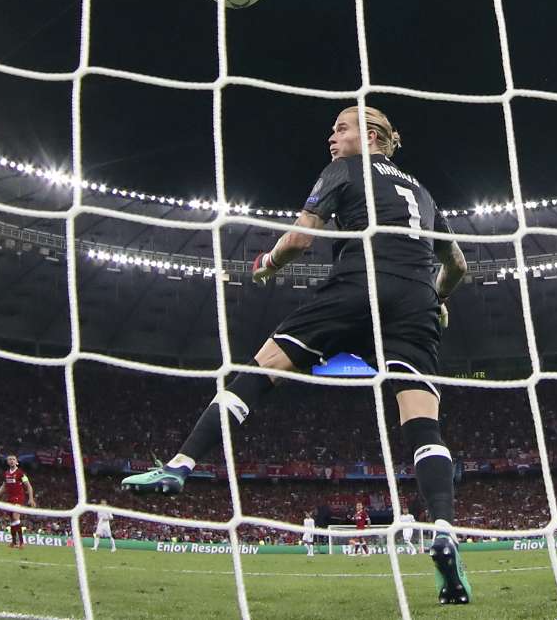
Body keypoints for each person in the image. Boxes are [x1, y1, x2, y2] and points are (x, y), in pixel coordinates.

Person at [121, 106, 471, 604]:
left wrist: (265, 264)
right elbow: (456, 264)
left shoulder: (345, 170)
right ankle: (442, 528)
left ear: (371, 136)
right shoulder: (424, 193)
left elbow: (301, 237)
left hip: (356, 286)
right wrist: (437, 298)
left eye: (341, 128)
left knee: (259, 371)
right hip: (414, 302)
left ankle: (179, 465)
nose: (331, 138)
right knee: (422, 423)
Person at [0, 455, 36, 549]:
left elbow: (28, 486)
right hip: (10, 498)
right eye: (10, 459)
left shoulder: (21, 473)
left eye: (13, 459)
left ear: (17, 462)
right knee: (12, 520)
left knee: (16, 516)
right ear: (7, 462)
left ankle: (22, 542)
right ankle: (14, 542)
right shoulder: (6, 473)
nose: (11, 461)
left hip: (19, 497)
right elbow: (3, 486)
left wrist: (31, 498)